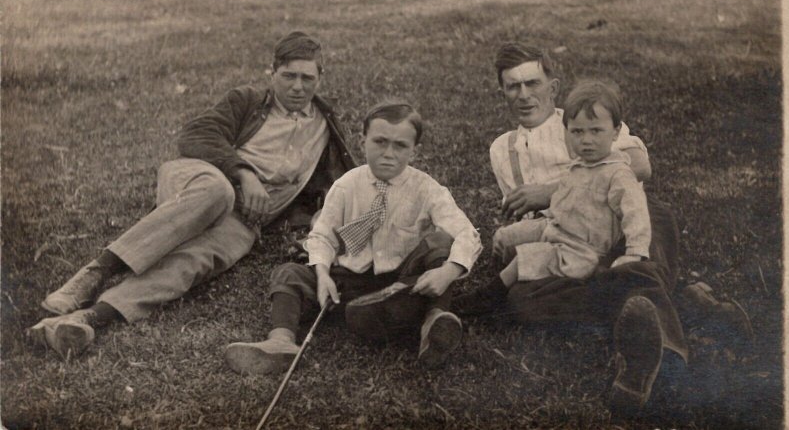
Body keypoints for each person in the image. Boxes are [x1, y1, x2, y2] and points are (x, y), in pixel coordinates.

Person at [456, 42, 752, 411]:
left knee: (642, 243)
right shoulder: (503, 149)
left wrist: (550, 191)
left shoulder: (586, 116)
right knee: (520, 302)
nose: (524, 94)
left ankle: (664, 359)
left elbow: (640, 165)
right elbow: (537, 225)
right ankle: (688, 307)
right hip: (573, 244)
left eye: (532, 83)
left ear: (553, 86)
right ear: (501, 91)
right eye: (512, 86)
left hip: (627, 223)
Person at [30, 31, 356, 358]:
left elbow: (332, 187)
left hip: (245, 220)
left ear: (320, 78)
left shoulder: (325, 126)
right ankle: (94, 273)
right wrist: (243, 174)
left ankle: (86, 319)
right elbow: (195, 135)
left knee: (192, 263)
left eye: (307, 78)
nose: (298, 86)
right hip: (200, 179)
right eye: (288, 76)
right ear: (271, 73)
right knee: (218, 192)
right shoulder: (248, 100)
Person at [224, 101, 482, 375]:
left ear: (414, 152)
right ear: (362, 141)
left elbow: (468, 234)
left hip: (403, 281)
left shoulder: (427, 189)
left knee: (441, 244)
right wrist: (323, 275)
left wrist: (448, 271)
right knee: (289, 273)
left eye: (400, 146)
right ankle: (281, 342)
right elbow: (322, 236)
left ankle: (434, 322)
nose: (388, 154)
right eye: (379, 142)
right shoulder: (346, 185)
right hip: (349, 280)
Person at [490, 79, 651, 284]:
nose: (586, 140)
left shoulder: (618, 173)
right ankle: (504, 261)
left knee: (523, 262)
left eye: (596, 131)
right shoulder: (577, 166)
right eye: (577, 131)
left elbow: (636, 215)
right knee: (505, 238)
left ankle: (494, 291)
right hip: (555, 227)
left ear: (616, 132)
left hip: (580, 249)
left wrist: (635, 253)